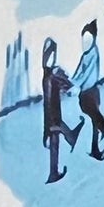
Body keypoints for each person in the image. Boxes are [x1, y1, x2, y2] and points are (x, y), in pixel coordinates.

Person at [70, 20, 104, 161]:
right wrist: (71, 82)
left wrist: (77, 84)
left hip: (91, 91)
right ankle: (96, 149)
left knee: (95, 117)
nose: (85, 44)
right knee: (94, 120)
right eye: (83, 41)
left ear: (93, 40)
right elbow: (78, 72)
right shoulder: (85, 55)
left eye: (88, 40)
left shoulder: (94, 53)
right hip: (84, 92)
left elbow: (87, 73)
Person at [41, 37, 82, 184]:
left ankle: (53, 172)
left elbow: (65, 86)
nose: (51, 59)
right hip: (53, 116)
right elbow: (69, 87)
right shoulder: (51, 75)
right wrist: (70, 85)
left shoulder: (49, 75)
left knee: (54, 142)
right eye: (49, 55)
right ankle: (71, 137)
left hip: (51, 116)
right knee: (56, 138)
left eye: (52, 55)